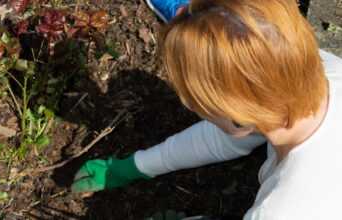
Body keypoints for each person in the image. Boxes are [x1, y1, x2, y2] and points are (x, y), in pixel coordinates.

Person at [72, 0, 342, 219]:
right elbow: (230, 135)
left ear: (236, 116)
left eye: (193, 100)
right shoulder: (319, 69)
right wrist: (135, 166)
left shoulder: (281, 211)